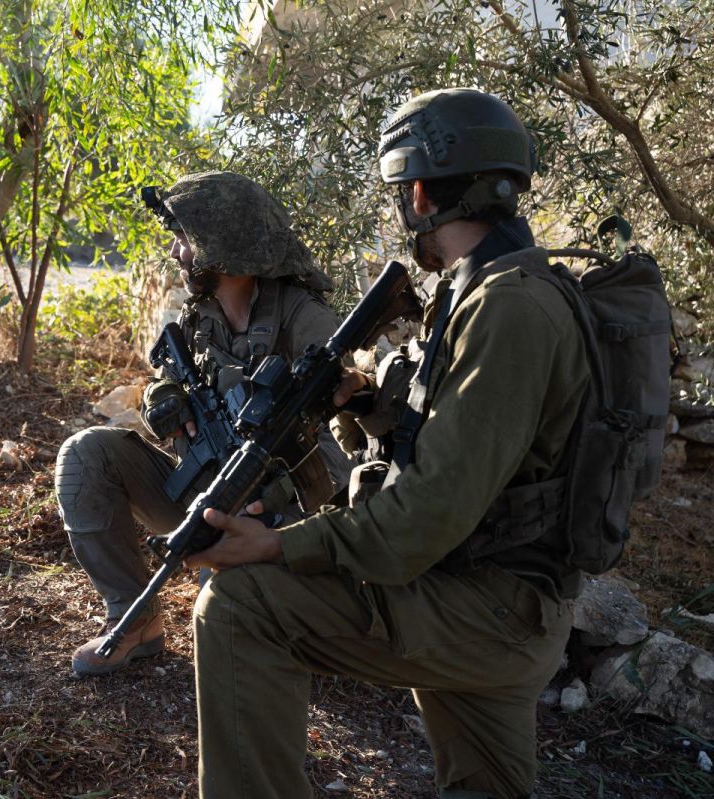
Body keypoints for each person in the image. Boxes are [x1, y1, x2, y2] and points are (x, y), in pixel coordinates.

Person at [188, 89, 588, 799]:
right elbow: (463, 451)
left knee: (238, 604)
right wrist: (368, 406)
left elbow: (422, 521)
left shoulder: (507, 309)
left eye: (403, 193)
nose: (404, 210)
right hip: (503, 595)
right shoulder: (495, 287)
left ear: (424, 192)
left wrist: (279, 544)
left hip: (486, 605)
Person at [55, 170, 350, 677]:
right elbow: (168, 391)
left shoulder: (307, 322)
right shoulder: (200, 319)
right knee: (85, 456)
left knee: (224, 614)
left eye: (185, 239)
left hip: (286, 523)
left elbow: (349, 448)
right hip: (205, 493)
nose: (176, 253)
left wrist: (275, 501)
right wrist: (162, 398)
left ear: (224, 243)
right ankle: (134, 620)